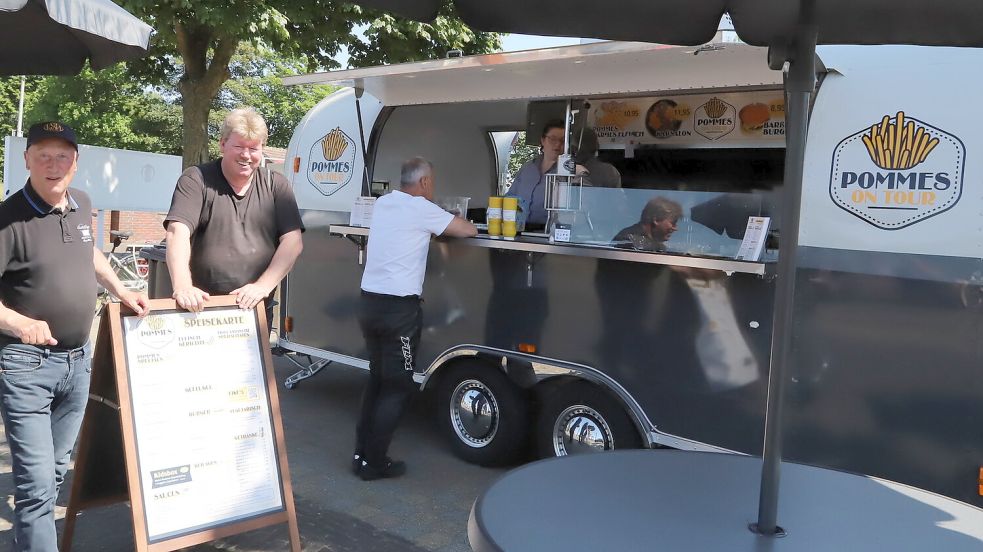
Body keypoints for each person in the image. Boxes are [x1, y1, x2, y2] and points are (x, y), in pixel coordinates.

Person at [0, 121, 149, 551]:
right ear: (26, 159)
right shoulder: (8, 220)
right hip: (26, 366)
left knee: (56, 473)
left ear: (76, 162)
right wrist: (17, 323)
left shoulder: (81, 203)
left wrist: (121, 289)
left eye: (62, 156)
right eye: (43, 155)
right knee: (36, 487)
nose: (53, 164)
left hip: (77, 363)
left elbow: (89, 252)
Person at [354, 157, 477, 481]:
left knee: (378, 379)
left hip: (369, 304)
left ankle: (361, 454)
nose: (433, 187)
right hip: (399, 312)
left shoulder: (384, 204)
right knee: (397, 386)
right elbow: (467, 230)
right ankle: (375, 463)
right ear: (423, 183)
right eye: (432, 182)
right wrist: (453, 216)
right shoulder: (422, 209)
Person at [163, 108, 304, 323]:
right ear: (222, 144)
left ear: (262, 149)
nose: (246, 155)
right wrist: (183, 286)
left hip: (253, 310)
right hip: (200, 308)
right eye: (238, 146)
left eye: (253, 148)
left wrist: (262, 286)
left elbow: (293, 241)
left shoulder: (276, 184)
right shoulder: (196, 180)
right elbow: (177, 232)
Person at [506, 119, 587, 228]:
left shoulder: (571, 171)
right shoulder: (527, 169)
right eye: (553, 139)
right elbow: (510, 198)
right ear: (543, 140)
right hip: (519, 230)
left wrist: (580, 173)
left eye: (563, 141)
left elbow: (584, 205)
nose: (557, 144)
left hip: (550, 232)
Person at [612, 196, 683, 252]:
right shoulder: (629, 241)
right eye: (673, 223)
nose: (675, 228)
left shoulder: (653, 245)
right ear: (656, 220)